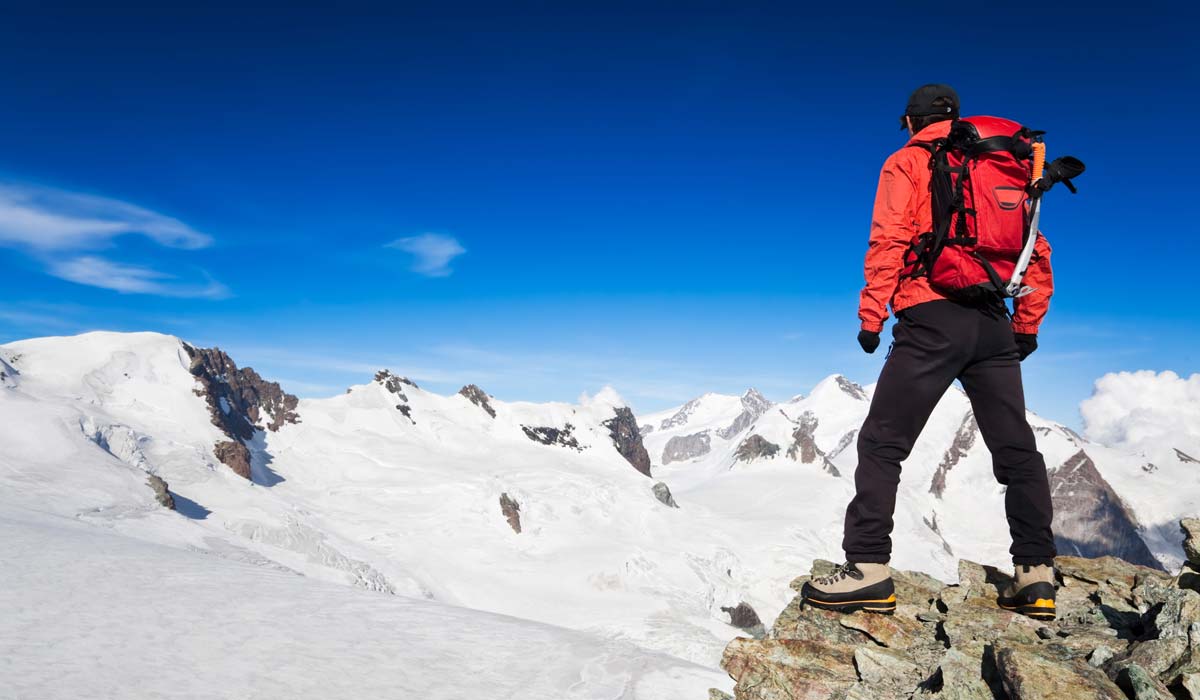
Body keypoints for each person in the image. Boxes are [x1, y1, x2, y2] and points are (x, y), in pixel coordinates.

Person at [800, 84, 1058, 620]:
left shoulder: (910, 160)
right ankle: (1036, 575)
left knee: (881, 443)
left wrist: (872, 314)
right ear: (958, 120)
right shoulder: (1003, 162)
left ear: (912, 121)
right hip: (995, 321)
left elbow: (889, 237)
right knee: (1016, 452)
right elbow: (1035, 247)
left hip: (931, 315)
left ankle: (868, 570)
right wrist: (1027, 325)